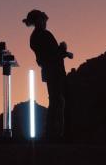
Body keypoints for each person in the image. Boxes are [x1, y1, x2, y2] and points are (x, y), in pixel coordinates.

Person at [23, 9, 72, 140]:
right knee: (57, 101)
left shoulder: (35, 37)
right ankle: (54, 133)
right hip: (55, 71)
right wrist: (63, 50)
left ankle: (52, 132)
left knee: (56, 100)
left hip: (50, 71)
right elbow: (52, 55)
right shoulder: (43, 35)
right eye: (43, 20)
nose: (45, 22)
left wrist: (62, 52)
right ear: (38, 20)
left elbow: (45, 56)